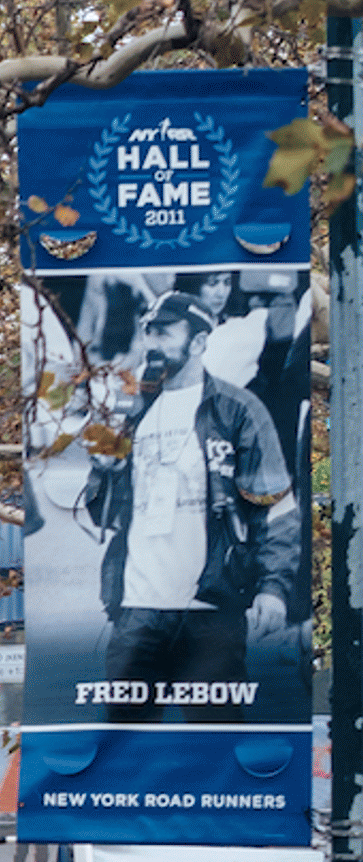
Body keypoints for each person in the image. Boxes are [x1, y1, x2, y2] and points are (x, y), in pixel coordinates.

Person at [82, 289, 304, 727]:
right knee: (125, 748)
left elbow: (276, 508)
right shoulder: (127, 412)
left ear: (200, 342)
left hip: (212, 612)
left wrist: (273, 589)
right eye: (149, 330)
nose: (152, 341)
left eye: (165, 331)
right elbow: (99, 514)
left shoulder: (238, 410)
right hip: (136, 610)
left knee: (216, 743)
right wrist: (104, 470)